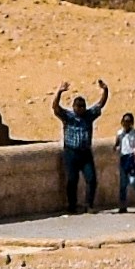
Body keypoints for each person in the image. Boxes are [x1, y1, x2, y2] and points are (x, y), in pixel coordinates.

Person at [52, 82, 108, 213]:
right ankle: (72, 205)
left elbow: (101, 104)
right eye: (79, 106)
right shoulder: (68, 117)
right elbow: (55, 108)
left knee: (92, 179)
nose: (81, 108)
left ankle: (89, 204)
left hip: (85, 153)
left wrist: (105, 90)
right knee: (72, 180)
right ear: (74, 107)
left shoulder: (89, 116)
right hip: (71, 153)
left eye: (83, 106)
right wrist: (59, 92)